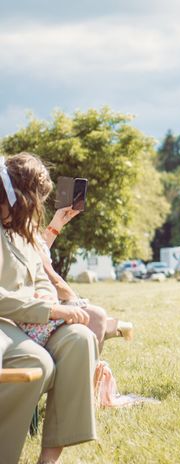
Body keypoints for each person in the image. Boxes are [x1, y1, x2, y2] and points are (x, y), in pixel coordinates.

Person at [0, 152, 99, 464]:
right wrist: (51, 312)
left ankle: (49, 460)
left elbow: (39, 275)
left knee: (81, 339)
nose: (39, 207)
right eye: (37, 198)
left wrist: (52, 301)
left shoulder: (22, 228)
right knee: (37, 362)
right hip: (6, 319)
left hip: (27, 321)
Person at [18, 206, 133, 351]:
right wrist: (76, 301)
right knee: (96, 316)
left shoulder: (17, 226)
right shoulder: (20, 230)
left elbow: (41, 247)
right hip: (32, 315)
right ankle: (95, 364)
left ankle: (111, 327)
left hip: (32, 310)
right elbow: (53, 278)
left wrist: (57, 222)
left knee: (94, 315)